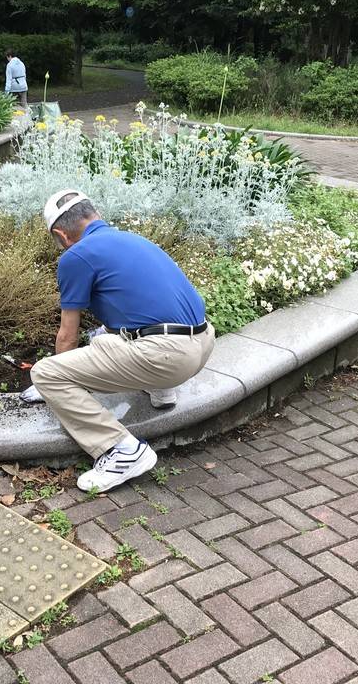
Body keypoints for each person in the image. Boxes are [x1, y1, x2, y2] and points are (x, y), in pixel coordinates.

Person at [24, 190, 215, 493]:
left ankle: (122, 451)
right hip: (203, 342)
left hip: (167, 356)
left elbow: (67, 335)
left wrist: (54, 381)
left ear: (61, 234)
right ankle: (162, 391)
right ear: (93, 214)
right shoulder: (132, 239)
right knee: (106, 339)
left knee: (47, 374)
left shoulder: (76, 255)